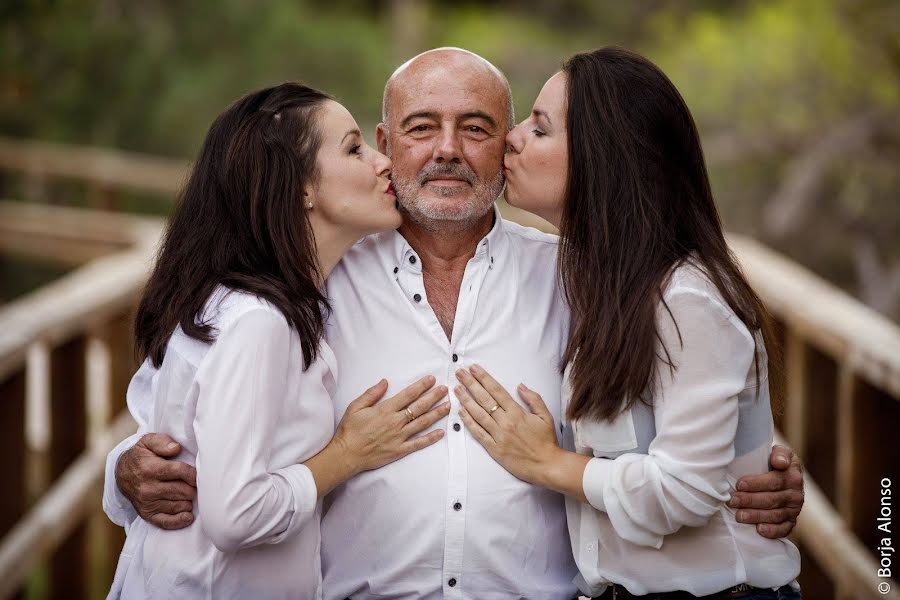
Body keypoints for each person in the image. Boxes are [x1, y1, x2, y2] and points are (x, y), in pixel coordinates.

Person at [104, 49, 805, 599]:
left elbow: (690, 419)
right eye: (420, 128)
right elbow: (181, 403)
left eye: (476, 128)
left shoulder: (586, 282)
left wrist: (752, 471)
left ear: (504, 148)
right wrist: (127, 471)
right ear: (383, 145)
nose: (448, 149)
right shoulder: (310, 281)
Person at [454, 47, 802, 598]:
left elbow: (686, 490)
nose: (511, 139)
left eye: (540, 129)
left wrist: (547, 463)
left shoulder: (687, 298)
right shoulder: (592, 285)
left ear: (605, 158)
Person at [105, 82, 450, 600]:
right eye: (354, 148)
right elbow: (232, 515)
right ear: (299, 188)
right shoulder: (257, 320)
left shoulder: (241, 299)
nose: (384, 164)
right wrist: (346, 454)